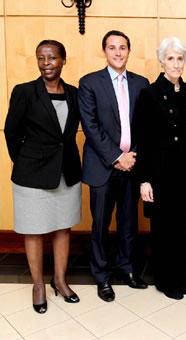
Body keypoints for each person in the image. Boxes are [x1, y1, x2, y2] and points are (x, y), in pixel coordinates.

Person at [4, 40, 82, 313]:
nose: (46, 63)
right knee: (34, 229)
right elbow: (11, 133)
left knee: (63, 226)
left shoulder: (74, 93)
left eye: (52, 58)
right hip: (32, 174)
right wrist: (27, 161)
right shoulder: (24, 92)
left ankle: (59, 280)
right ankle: (38, 285)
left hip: (66, 172)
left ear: (63, 60)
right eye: (41, 58)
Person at [78, 30, 149, 302]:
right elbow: (91, 127)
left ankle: (127, 270)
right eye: (112, 48)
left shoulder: (141, 83)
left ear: (129, 51)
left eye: (122, 47)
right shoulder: (89, 83)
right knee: (100, 225)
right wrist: (117, 157)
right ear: (104, 51)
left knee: (129, 222)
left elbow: (145, 125)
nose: (118, 52)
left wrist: (133, 156)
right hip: (102, 166)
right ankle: (102, 276)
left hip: (132, 165)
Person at [136, 37, 186, 300]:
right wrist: (144, 180)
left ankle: (180, 277)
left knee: (183, 228)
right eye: (171, 58)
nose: (176, 64)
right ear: (162, 61)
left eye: (180, 58)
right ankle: (165, 281)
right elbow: (143, 138)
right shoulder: (149, 93)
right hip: (160, 172)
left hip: (185, 171)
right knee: (164, 230)